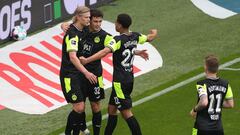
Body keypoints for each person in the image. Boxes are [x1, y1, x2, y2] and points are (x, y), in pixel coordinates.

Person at [61, 10, 149, 135]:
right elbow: (72, 25)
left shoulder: (105, 36)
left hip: (95, 74)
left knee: (96, 106)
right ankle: (81, 128)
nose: (97, 24)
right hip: (80, 73)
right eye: (95, 21)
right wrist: (63, 25)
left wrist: (136, 51)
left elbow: (119, 47)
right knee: (80, 105)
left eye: (100, 21)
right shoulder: (82, 30)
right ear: (89, 20)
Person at [80, 13, 157, 135]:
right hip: (129, 79)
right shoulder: (135, 36)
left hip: (120, 82)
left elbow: (104, 52)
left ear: (120, 25)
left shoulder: (118, 40)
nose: (115, 24)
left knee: (126, 113)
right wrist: (154, 32)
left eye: (116, 22)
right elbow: (149, 38)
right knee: (111, 110)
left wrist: (87, 60)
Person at [59, 6, 97, 135]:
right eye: (86, 18)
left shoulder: (84, 28)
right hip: (70, 75)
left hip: (79, 73)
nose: (89, 20)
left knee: (81, 107)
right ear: (79, 17)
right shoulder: (72, 35)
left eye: (89, 17)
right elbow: (73, 57)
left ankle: (78, 131)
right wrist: (87, 72)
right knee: (79, 107)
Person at [190, 55, 234, 135]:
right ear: (217, 68)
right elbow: (230, 104)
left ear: (205, 68)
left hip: (202, 128)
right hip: (218, 129)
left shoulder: (201, 84)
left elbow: (204, 102)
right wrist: (216, 102)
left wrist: (194, 110)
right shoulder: (226, 84)